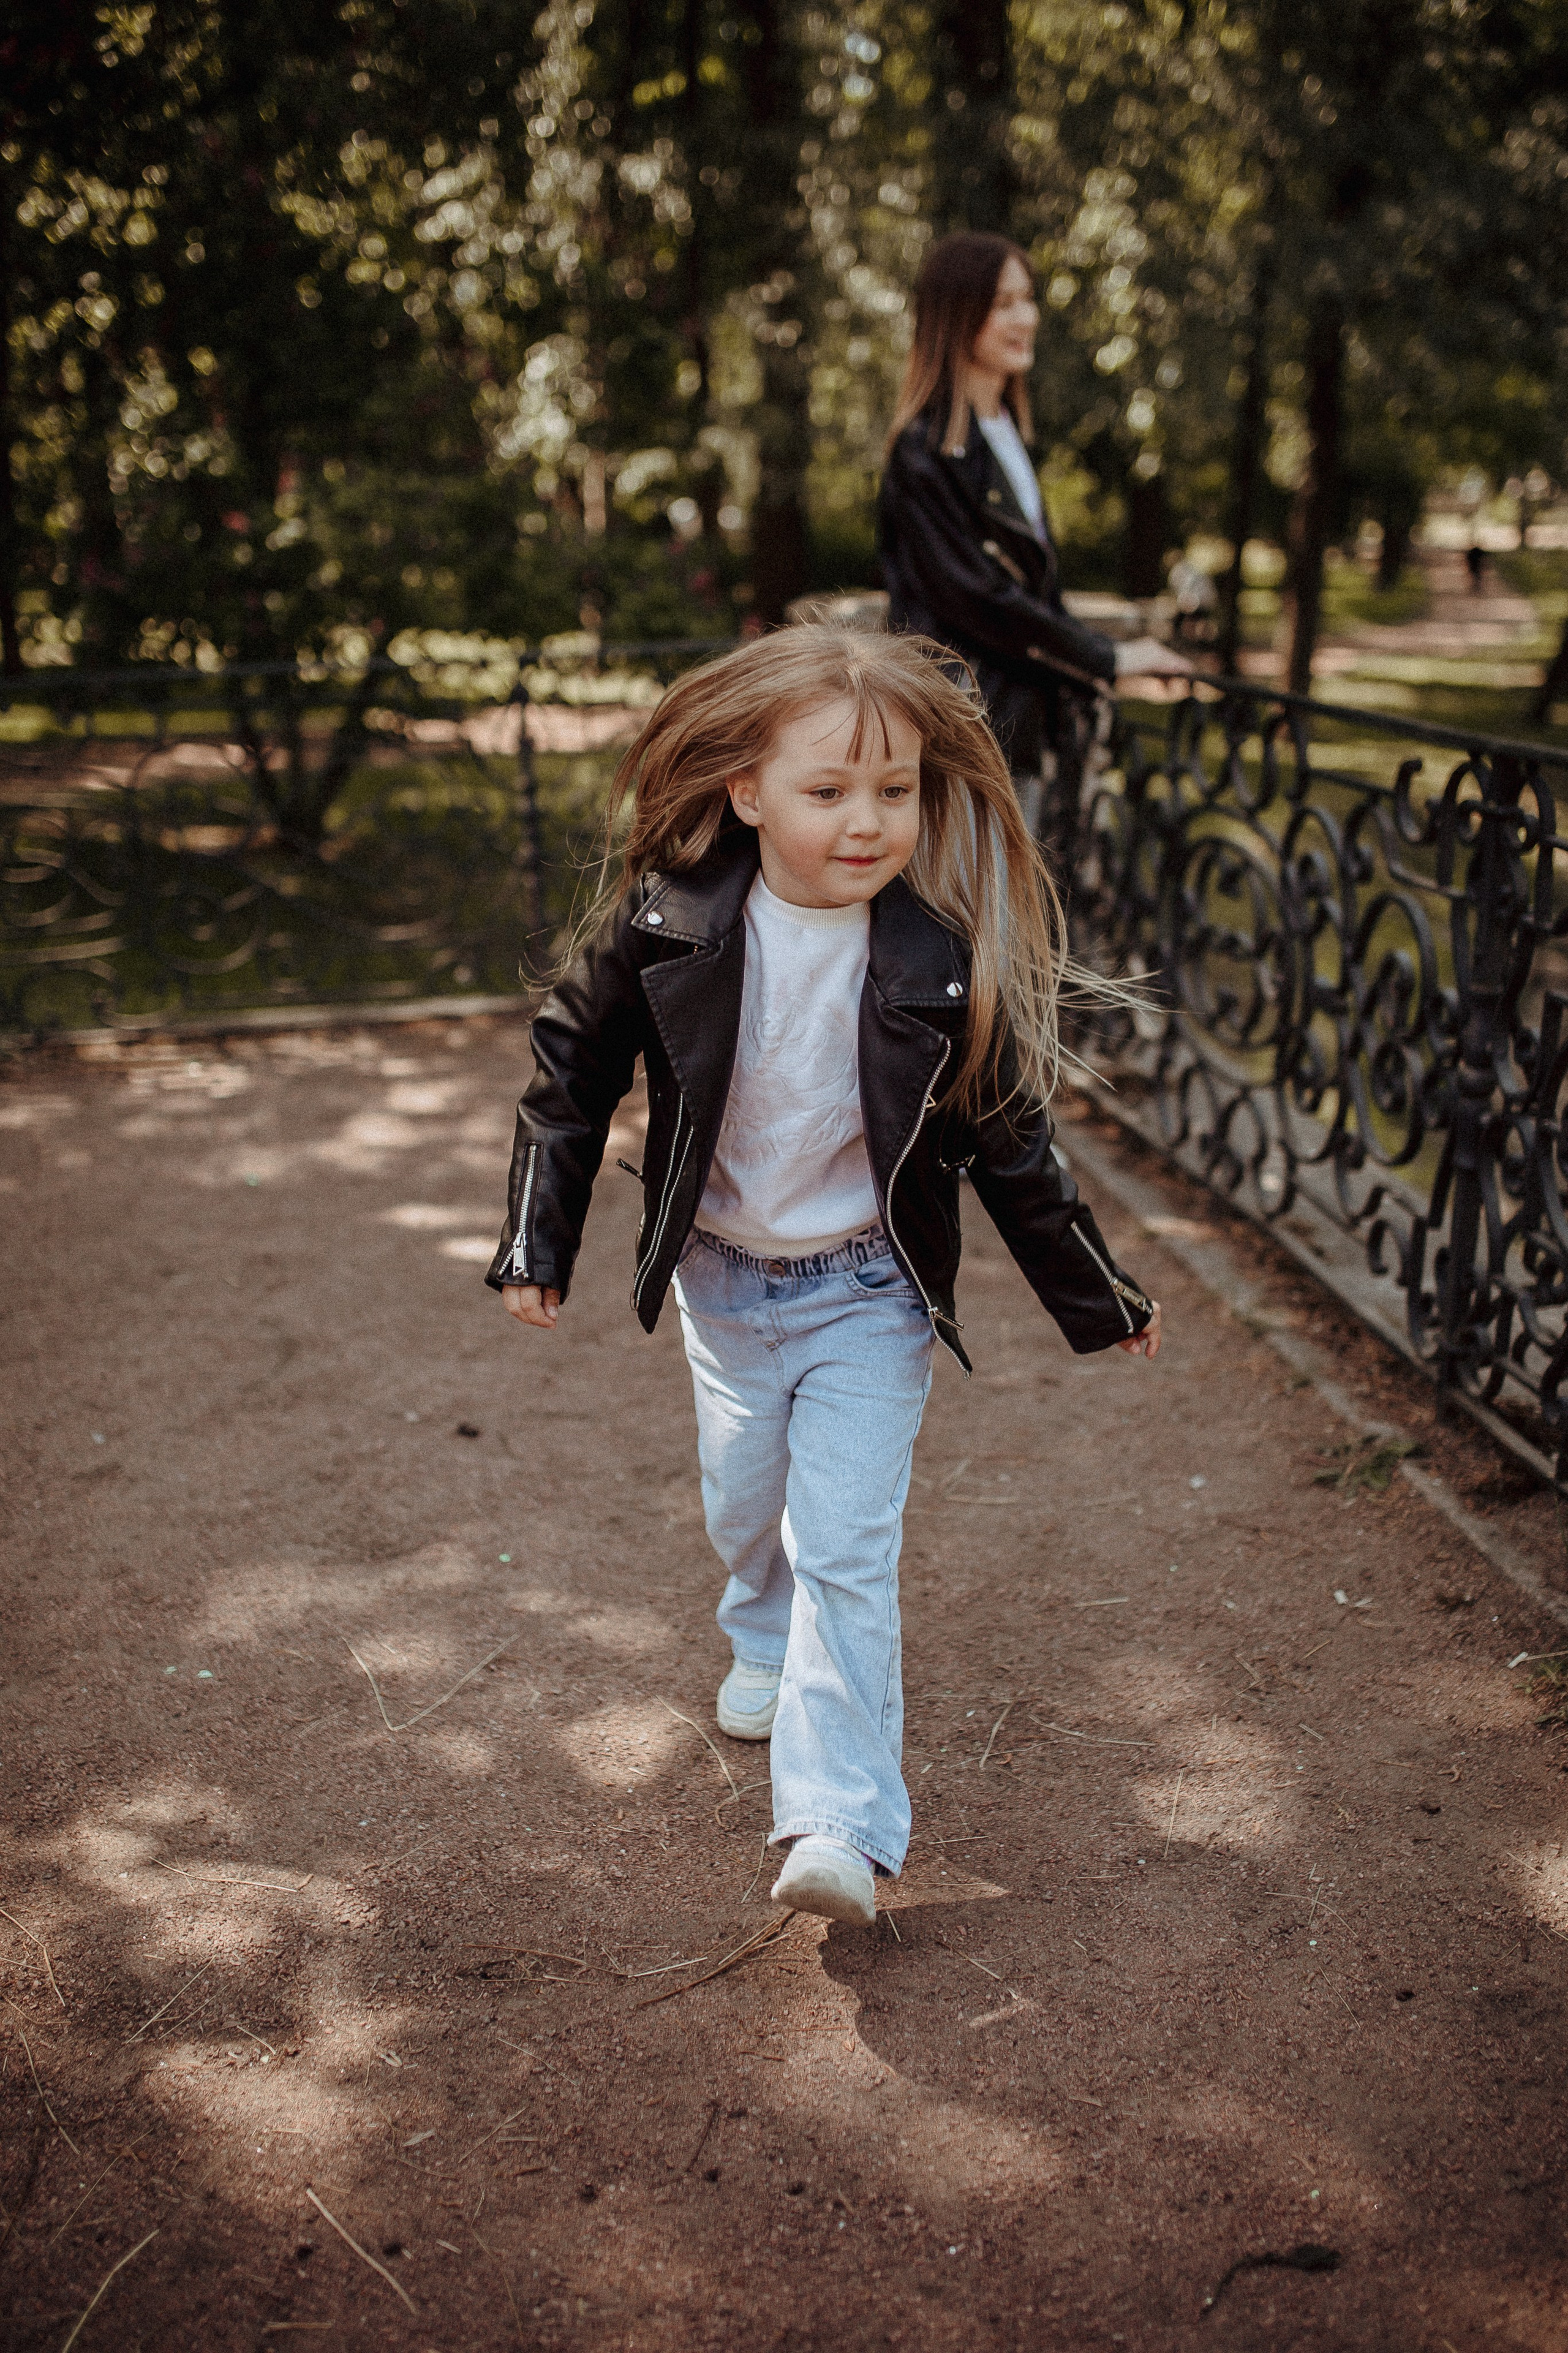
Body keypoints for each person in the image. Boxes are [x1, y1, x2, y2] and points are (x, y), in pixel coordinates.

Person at [487, 625, 1161, 1928]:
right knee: (750, 1512)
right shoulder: (665, 924)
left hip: (871, 1292)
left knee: (844, 1547)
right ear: (746, 793)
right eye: (828, 789)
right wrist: (537, 1237)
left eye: (894, 790)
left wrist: (1099, 1296)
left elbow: (1010, 1142)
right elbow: (566, 1074)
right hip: (726, 1287)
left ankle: (836, 1822)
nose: (868, 821)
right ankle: (752, 1623)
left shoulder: (936, 959)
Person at [878, 232, 1188, 864]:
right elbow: (978, 599)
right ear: (957, 317)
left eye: (1028, 299)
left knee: (1012, 925)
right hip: (961, 731)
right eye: (1005, 304)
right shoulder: (923, 452)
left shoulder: (1004, 433)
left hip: (1017, 725)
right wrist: (1106, 657)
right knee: (970, 928)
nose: (1028, 317)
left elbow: (1030, 591)